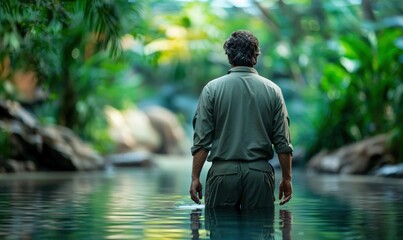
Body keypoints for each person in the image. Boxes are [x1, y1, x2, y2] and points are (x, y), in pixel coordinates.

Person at [189, 30, 293, 209]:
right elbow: (283, 143)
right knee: (260, 232)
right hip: (259, 176)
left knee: (221, 230)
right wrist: (287, 178)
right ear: (256, 56)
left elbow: (202, 141)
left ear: (229, 56)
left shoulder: (212, 89)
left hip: (222, 176)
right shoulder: (273, 90)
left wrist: (195, 178)